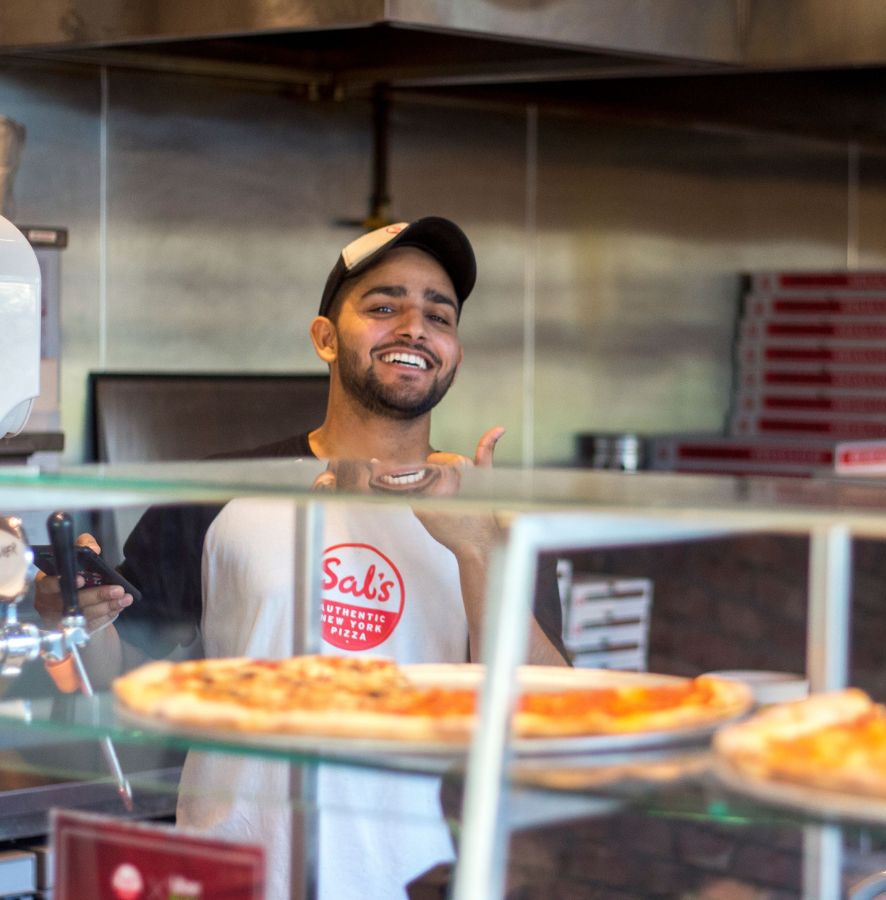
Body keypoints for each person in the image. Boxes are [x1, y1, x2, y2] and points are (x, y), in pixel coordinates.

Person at [35, 217, 567, 897]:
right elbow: (115, 671)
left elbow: (544, 721)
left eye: (439, 314)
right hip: (230, 878)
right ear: (323, 336)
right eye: (383, 306)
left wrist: (476, 550)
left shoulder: (496, 509)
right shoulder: (218, 491)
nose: (414, 327)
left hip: (423, 882)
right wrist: (69, 620)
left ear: (453, 352)